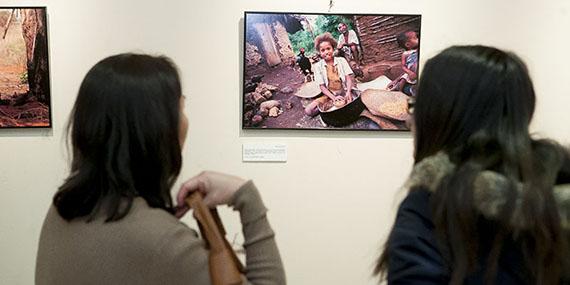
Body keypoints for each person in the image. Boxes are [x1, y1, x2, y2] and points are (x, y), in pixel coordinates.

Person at [35, 53, 286, 285]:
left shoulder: (61, 209)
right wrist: (245, 195)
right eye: (181, 108)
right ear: (156, 129)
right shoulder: (161, 242)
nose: (185, 119)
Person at [375, 46, 570, 284]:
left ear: (440, 114)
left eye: (415, 105)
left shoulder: (431, 205)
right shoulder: (558, 190)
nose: (408, 120)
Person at [305, 32, 356, 117]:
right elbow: (322, 87)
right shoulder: (317, 66)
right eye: (323, 50)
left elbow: (348, 79)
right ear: (320, 53)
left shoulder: (341, 60)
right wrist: (333, 98)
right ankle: (328, 106)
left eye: (328, 48)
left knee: (351, 106)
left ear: (333, 49)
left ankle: (334, 108)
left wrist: (348, 92)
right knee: (308, 111)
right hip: (329, 95)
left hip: (344, 91)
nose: (326, 52)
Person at [387, 31, 419, 96]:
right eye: (415, 38)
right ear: (407, 44)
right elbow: (403, 66)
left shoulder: (420, 49)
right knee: (403, 79)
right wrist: (410, 72)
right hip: (410, 73)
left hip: (417, 71)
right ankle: (400, 92)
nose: (418, 39)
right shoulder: (405, 54)